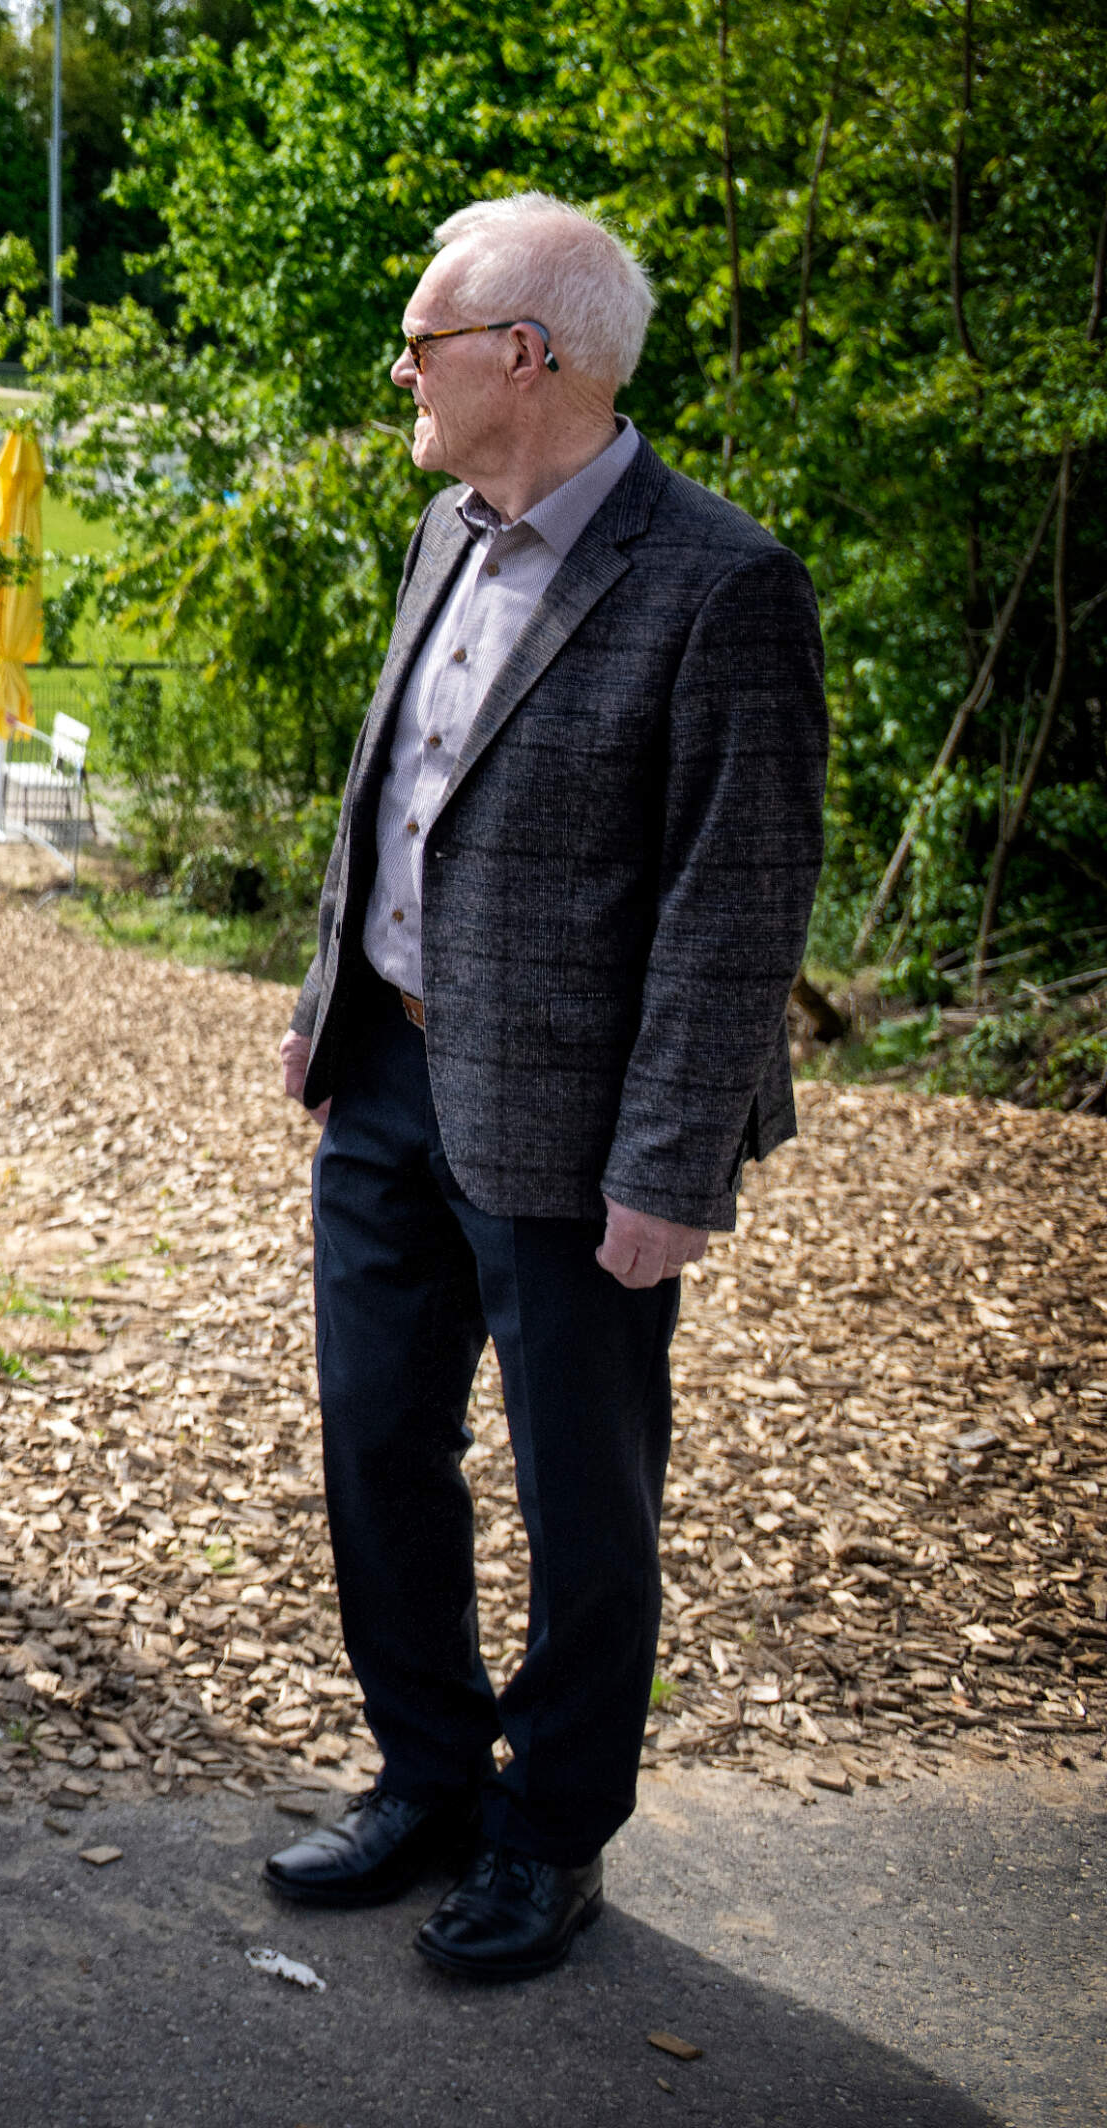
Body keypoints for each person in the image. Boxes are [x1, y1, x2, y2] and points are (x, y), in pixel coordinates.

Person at [264, 196, 826, 1980]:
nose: (400, 373)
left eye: (423, 341)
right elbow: (395, 787)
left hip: (584, 1143)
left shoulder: (721, 582)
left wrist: (671, 1168)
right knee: (380, 1456)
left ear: (530, 357)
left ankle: (551, 1832)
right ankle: (427, 1776)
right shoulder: (451, 525)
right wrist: (326, 996)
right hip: (392, 1087)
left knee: (586, 1501)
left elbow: (735, 911)